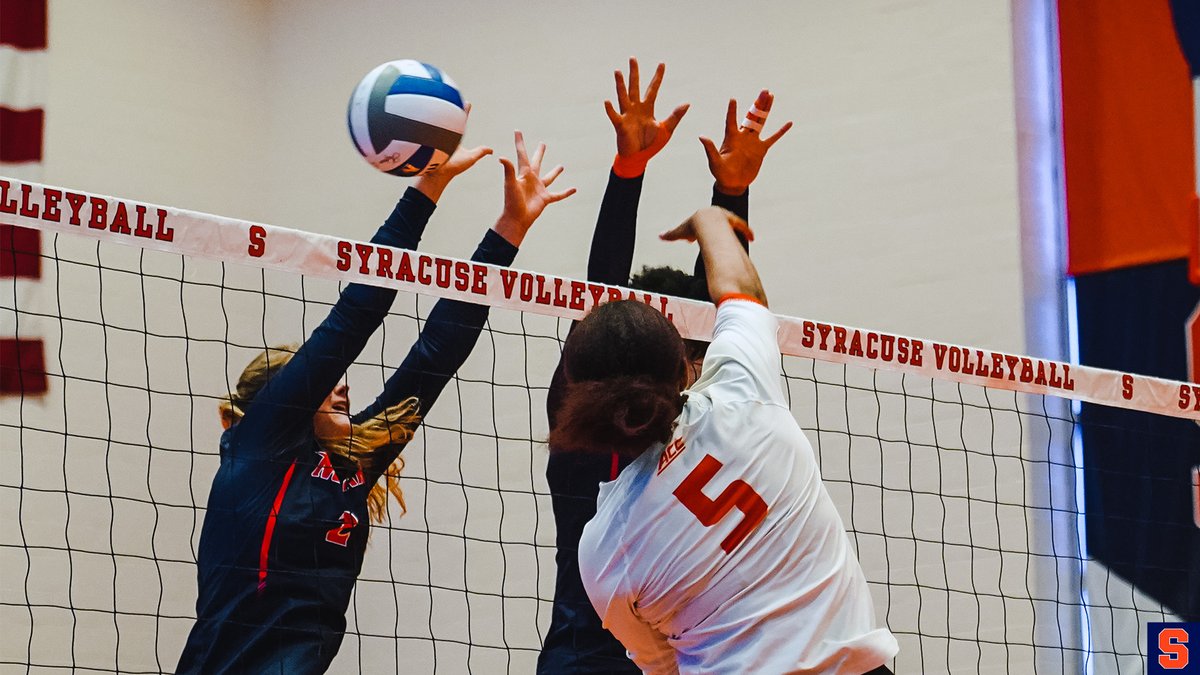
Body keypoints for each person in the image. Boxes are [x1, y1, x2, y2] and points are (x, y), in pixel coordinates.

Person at [176, 129, 575, 674]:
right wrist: (424, 192)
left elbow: (436, 355)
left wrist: (508, 230)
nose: (341, 384)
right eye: (318, 380)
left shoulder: (354, 464)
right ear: (277, 403)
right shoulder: (258, 450)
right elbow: (353, 316)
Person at [551, 207, 899, 674]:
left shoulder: (602, 548)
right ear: (684, 367)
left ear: (575, 399)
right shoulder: (742, 397)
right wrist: (710, 220)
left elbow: (663, 666)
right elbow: (743, 293)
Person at [538, 57, 791, 674]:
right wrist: (628, 171)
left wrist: (731, 192)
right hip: (588, 663)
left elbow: (726, 308)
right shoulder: (591, 425)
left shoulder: (716, 425)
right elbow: (603, 299)